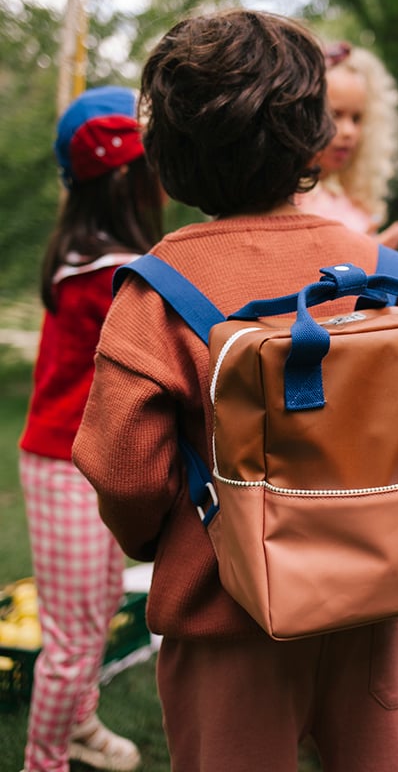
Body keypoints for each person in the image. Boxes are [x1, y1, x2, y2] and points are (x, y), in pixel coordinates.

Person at [72, 9, 398, 772]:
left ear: (165, 155)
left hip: (227, 619)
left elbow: (125, 471)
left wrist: (165, 541)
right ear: (312, 137)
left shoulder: (158, 290)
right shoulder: (378, 265)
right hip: (381, 602)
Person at [18, 85, 163, 772]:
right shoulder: (104, 274)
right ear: (127, 179)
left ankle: (78, 724)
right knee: (72, 640)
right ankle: (42, 759)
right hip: (63, 464)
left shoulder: (101, 260)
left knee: (99, 605)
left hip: (88, 461)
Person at [297, 41, 398, 249]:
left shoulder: (352, 200)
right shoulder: (288, 203)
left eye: (357, 119)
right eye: (335, 115)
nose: (349, 131)